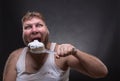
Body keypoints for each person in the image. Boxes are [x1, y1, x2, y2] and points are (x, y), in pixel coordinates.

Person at [3, 11, 108, 81]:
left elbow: (101, 72)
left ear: (47, 31)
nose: (34, 30)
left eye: (39, 25)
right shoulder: (15, 57)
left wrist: (75, 52)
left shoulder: (61, 54)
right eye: (28, 27)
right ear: (23, 34)